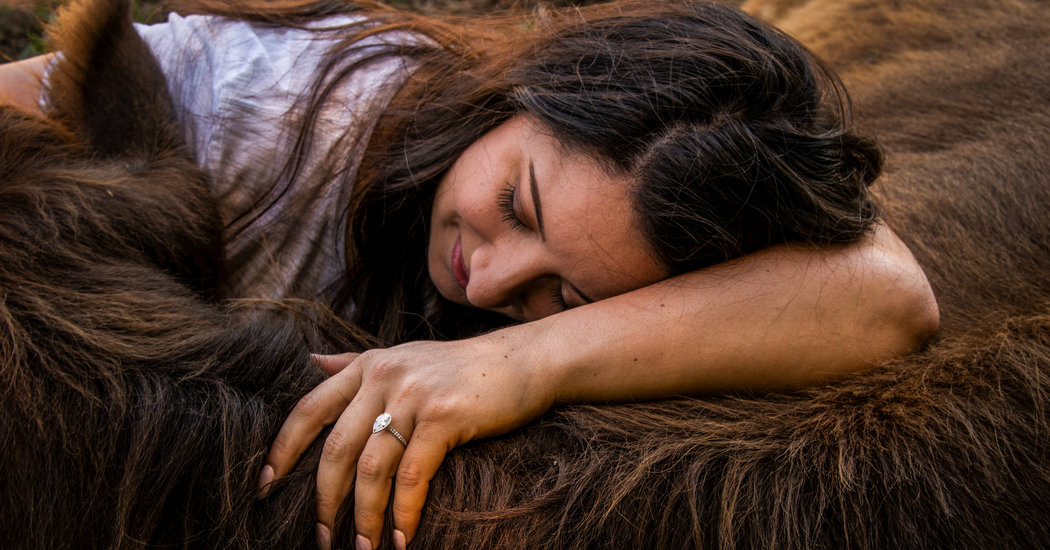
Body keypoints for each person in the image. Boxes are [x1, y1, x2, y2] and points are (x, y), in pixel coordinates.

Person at [0, 0, 939, 548]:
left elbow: (889, 296)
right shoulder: (264, 102)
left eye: (561, 292)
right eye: (519, 205)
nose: (489, 283)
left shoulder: (517, 304)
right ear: (526, 91)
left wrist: (530, 361)